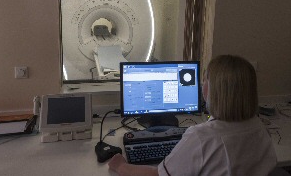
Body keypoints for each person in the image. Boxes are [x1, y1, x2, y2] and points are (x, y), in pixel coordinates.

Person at [108, 55, 277, 176]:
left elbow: (158, 175)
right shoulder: (260, 128)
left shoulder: (201, 136)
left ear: (213, 91)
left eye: (205, 81)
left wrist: (122, 167)